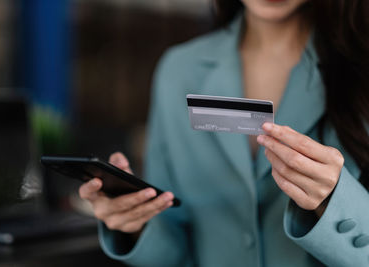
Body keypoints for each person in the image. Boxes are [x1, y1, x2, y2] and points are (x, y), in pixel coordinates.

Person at [79, 0, 369, 266]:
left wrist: (336, 203)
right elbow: (175, 245)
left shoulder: (361, 68)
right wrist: (134, 225)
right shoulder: (179, 72)